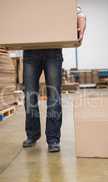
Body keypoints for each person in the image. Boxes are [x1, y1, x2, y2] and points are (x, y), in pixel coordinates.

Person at [22, 6, 86, 152]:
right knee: (29, 95)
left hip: (53, 51)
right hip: (30, 51)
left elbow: (80, 14)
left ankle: (53, 139)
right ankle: (32, 134)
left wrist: (81, 32)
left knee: (54, 96)